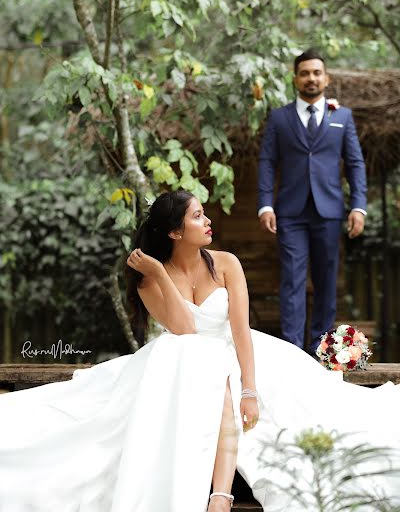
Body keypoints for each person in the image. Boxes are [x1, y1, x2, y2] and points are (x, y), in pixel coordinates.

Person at [0, 190, 399, 512]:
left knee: (314, 410)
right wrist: (157, 273)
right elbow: (185, 328)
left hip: (242, 354)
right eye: (197, 216)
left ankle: (221, 494)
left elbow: (241, 330)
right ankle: (217, 495)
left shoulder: (226, 264)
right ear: (175, 232)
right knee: (187, 357)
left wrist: (249, 387)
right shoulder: (148, 281)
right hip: (184, 362)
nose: (207, 222)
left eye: (204, 214)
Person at [258, 49, 367, 357]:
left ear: (326, 78)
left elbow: (355, 163)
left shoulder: (342, 117)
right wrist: (265, 204)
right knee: (292, 278)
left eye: (316, 73)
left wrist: (358, 206)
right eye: (305, 73)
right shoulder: (279, 118)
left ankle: (322, 350)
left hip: (329, 212)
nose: (311, 78)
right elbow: (267, 161)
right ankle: (293, 352)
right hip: (290, 212)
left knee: (326, 281)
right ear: (296, 79)